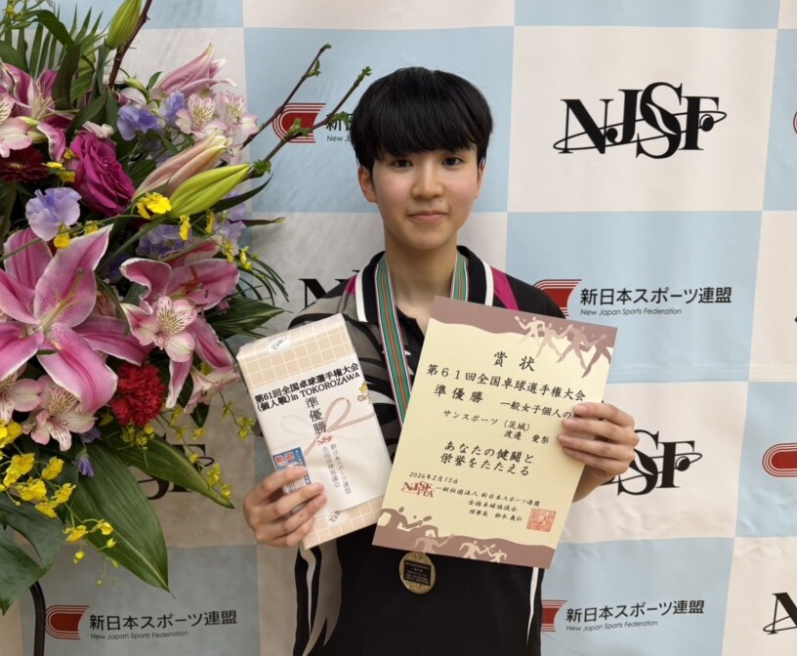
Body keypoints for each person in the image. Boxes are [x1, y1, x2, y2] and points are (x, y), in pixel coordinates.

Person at [243, 67, 639, 655]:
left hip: (495, 632)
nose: (428, 186)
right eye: (402, 162)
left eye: (451, 160)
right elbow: (311, 505)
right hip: (358, 635)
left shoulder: (532, 319)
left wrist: (598, 465)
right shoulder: (317, 335)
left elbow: (540, 493)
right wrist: (276, 515)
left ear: (480, 174)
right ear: (368, 180)